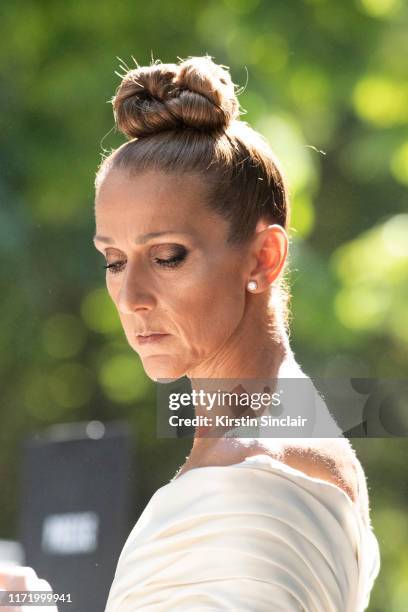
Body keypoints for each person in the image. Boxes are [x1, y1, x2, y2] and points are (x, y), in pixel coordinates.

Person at [92, 55, 380, 611]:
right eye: (114, 261)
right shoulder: (300, 443)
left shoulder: (250, 477)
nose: (131, 299)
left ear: (264, 257)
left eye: (168, 256)